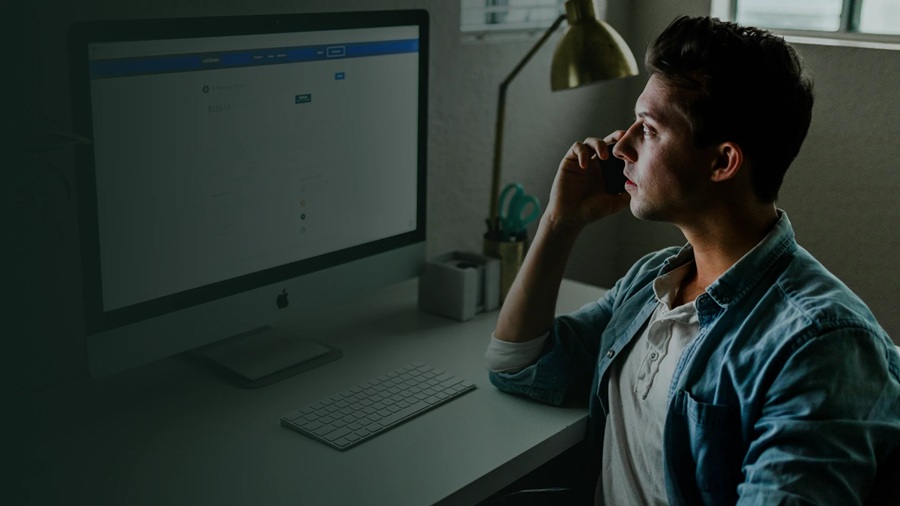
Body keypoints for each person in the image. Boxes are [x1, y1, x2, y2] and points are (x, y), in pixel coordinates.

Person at [484, 15, 900, 505]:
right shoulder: (654, 282)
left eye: (650, 129)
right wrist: (560, 222)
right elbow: (519, 365)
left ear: (723, 162)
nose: (621, 145)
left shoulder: (821, 345)